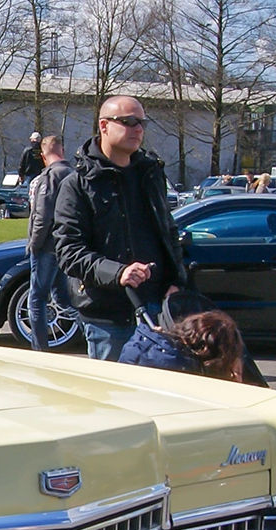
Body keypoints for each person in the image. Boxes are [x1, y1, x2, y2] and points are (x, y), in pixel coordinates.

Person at [54, 95, 188, 361]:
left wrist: (176, 282)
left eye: (142, 123)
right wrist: (119, 273)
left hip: (158, 310)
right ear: (104, 126)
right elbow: (68, 251)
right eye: (128, 122)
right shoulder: (78, 184)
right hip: (108, 317)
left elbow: (168, 232)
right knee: (111, 400)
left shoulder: (150, 175)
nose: (138, 129)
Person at [25, 135, 74, 350]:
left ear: (43, 156)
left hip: (47, 247)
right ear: (62, 151)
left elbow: (42, 216)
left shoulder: (49, 178)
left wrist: (34, 244)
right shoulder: (74, 175)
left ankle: (40, 350)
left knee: (36, 299)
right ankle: (89, 332)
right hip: (67, 247)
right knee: (63, 298)